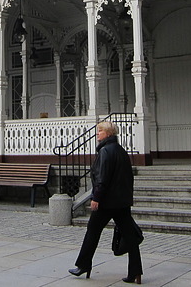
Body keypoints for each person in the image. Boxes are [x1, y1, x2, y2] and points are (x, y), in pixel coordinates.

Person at [70, 121, 143, 284]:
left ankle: (83, 265)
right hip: (122, 202)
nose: (98, 134)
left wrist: (96, 198)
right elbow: (127, 178)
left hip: (106, 202)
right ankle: (136, 272)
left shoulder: (105, 152)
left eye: (100, 131)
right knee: (130, 237)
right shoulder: (122, 151)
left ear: (108, 134)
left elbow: (102, 179)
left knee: (92, 232)